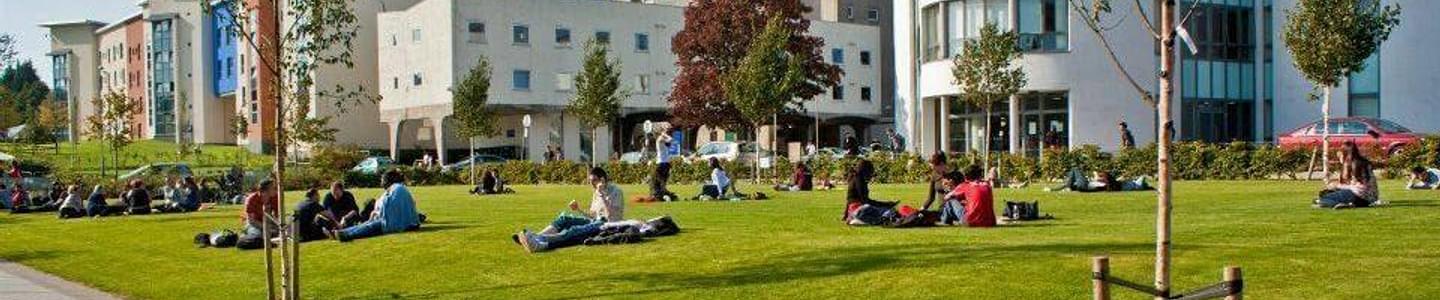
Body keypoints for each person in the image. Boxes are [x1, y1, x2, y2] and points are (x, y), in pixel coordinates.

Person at [514, 167, 624, 253]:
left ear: (603, 180)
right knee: (564, 219)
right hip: (597, 221)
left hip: (608, 224)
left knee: (574, 230)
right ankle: (536, 237)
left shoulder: (616, 192)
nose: (592, 184)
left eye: (594, 181)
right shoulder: (596, 192)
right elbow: (593, 215)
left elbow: (611, 215)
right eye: (590, 181)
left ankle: (537, 240)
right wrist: (578, 210)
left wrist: (602, 195)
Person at [331, 170, 421, 242]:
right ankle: (343, 232)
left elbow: (385, 203)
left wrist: (376, 211)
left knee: (370, 226)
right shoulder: (399, 188)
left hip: (398, 223)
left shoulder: (396, 189)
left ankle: (347, 234)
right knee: (368, 224)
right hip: (404, 221)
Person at [1317, 142, 1380, 208]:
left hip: (1359, 196)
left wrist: (1336, 185)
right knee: (1329, 193)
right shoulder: (1363, 162)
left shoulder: (1351, 164)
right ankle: (1348, 203)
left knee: (1324, 198)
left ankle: (1340, 204)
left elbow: (1355, 187)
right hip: (1370, 199)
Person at [649, 130, 678, 201]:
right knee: (660, 178)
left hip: (663, 163)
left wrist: (664, 134)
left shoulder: (662, 141)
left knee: (662, 178)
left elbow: (670, 141)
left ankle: (662, 191)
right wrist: (664, 134)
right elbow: (671, 139)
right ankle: (661, 191)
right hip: (662, 163)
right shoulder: (660, 139)